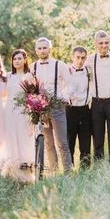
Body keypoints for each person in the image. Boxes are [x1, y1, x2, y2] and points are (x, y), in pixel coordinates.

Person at [29, 37, 74, 174]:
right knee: (48, 142)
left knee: (62, 141)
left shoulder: (59, 65)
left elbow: (71, 83)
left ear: (50, 49)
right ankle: (54, 172)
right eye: (40, 48)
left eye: (45, 48)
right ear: (36, 51)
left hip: (57, 106)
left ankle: (67, 172)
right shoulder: (33, 67)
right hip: (41, 109)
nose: (42, 51)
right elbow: (32, 88)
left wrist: (65, 98)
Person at [85, 30, 110, 162]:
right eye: (101, 43)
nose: (104, 45)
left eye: (106, 42)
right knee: (97, 136)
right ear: (96, 43)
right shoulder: (90, 59)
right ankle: (99, 164)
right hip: (96, 103)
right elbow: (77, 70)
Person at [1, 49, 35, 177]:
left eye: (19, 58)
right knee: (11, 135)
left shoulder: (29, 76)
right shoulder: (9, 76)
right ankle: (12, 164)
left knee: (23, 135)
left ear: (25, 60)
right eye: (14, 59)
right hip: (9, 107)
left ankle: (25, 165)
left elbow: (32, 95)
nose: (17, 61)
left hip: (23, 108)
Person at [67, 46, 91, 168]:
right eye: (77, 57)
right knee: (69, 141)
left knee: (85, 141)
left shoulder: (89, 71)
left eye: (83, 58)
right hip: (70, 110)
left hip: (85, 109)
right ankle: (69, 168)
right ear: (72, 57)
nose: (80, 61)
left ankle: (85, 168)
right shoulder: (65, 71)